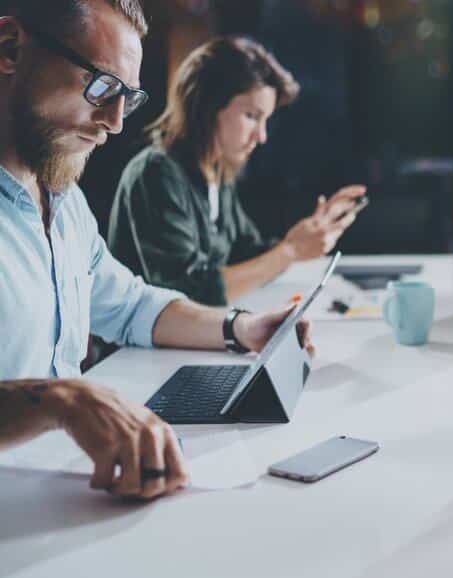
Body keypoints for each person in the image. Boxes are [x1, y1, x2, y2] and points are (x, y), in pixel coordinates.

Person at [0, 0, 316, 500]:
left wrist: (240, 327)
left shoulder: (65, 202)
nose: (115, 121)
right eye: (101, 85)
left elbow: (131, 305)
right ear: (10, 48)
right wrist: (56, 399)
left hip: (52, 495)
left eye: (127, 96)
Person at [108, 36, 364, 306]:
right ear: (208, 105)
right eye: (252, 116)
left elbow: (246, 254)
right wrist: (290, 251)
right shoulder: (156, 173)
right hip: (135, 348)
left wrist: (307, 235)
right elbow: (187, 292)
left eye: (265, 120)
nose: (261, 135)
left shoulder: (216, 172)